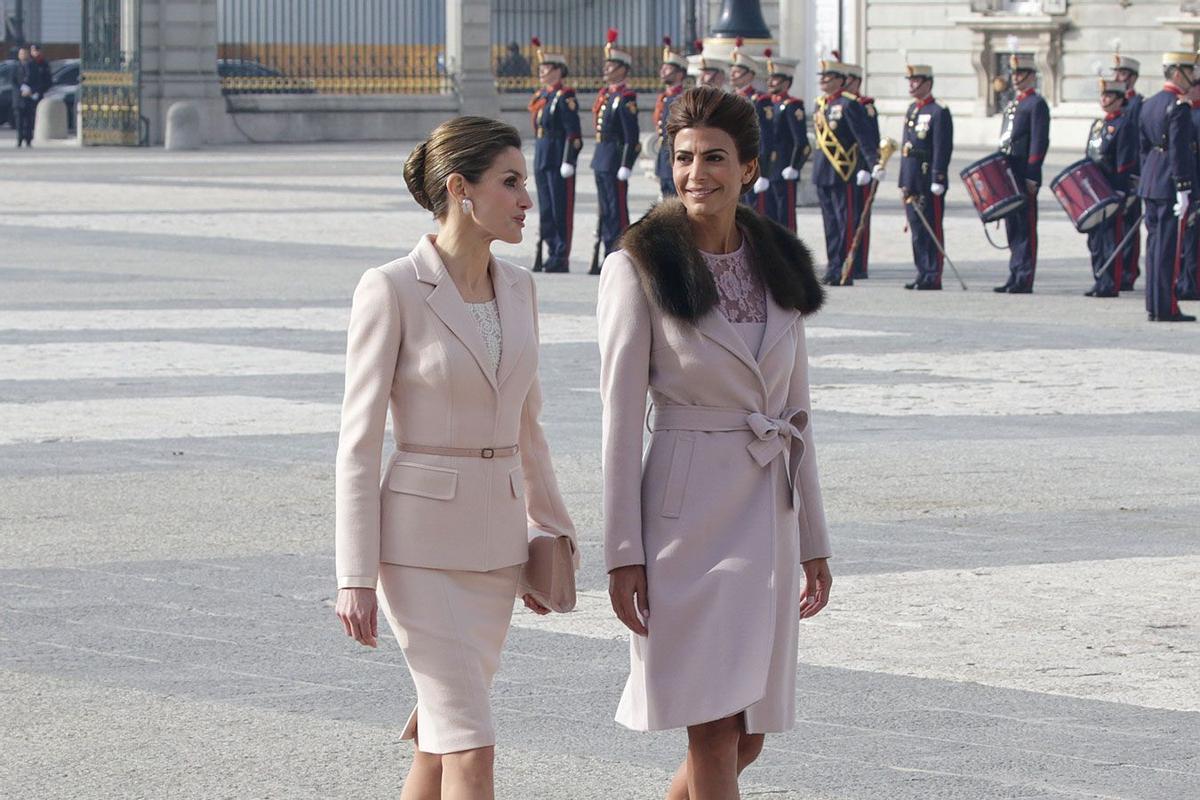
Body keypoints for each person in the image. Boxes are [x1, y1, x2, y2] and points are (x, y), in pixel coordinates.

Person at [597, 86, 833, 800]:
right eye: (685, 158)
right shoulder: (637, 267)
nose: (698, 173)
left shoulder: (779, 264)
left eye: (716, 158)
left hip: (769, 513)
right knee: (712, 727)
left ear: (750, 167)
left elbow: (797, 410)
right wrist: (622, 555)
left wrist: (815, 541)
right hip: (685, 522)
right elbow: (616, 422)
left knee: (748, 730)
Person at [334, 116, 577, 799]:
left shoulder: (521, 288)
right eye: (510, 183)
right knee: (473, 745)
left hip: (498, 549)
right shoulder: (391, 288)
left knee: (441, 746)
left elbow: (530, 430)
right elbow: (358, 442)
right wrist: (354, 575)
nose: (527, 198)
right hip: (419, 551)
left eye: (525, 182)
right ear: (459, 189)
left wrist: (550, 535)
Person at [1137, 52, 1199, 322]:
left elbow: (1143, 148)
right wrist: (1183, 187)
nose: (1193, 78)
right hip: (1169, 185)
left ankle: (1154, 304)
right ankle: (1166, 307)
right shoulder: (1179, 107)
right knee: (1167, 250)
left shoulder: (1149, 104)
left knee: (1153, 247)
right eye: (1189, 72)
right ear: (1177, 73)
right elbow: (1179, 152)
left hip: (1151, 182)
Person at [812, 54, 882, 285]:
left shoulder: (849, 104)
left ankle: (846, 268)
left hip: (844, 172)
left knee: (845, 222)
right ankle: (833, 266)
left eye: (828, 76)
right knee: (830, 224)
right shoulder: (820, 104)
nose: (823, 80)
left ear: (840, 80)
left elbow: (863, 138)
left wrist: (872, 165)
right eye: (821, 76)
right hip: (823, 171)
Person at [995, 52, 1050, 294]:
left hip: (1023, 170)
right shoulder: (1014, 104)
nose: (1016, 78)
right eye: (1014, 74)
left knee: (1025, 226)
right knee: (1012, 225)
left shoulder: (1036, 104)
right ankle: (1014, 271)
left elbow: (1039, 141)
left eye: (1020, 74)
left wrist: (1032, 174)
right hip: (1009, 169)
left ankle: (1024, 276)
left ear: (1031, 76)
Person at [528, 37, 582, 273]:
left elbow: (574, 134)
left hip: (558, 156)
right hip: (542, 155)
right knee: (547, 207)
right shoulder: (543, 96)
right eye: (540, 68)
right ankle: (549, 250)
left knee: (561, 207)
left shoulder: (565, 97)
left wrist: (568, 160)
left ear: (558, 71)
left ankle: (561, 255)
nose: (541, 72)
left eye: (546, 68)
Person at [898, 63, 953, 290]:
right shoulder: (912, 109)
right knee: (917, 229)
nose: (911, 85)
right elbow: (905, 147)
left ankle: (933, 274)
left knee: (932, 226)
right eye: (909, 81)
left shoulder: (939, 111)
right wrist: (903, 181)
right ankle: (922, 271)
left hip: (928, 178)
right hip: (912, 177)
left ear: (927, 83)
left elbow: (942, 147)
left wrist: (938, 177)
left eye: (915, 81)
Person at [590, 28, 640, 274]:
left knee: (617, 211)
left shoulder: (626, 98)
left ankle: (620, 254)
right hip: (601, 158)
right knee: (605, 210)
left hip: (614, 160)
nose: (606, 69)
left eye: (611, 65)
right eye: (606, 65)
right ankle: (609, 253)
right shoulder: (608, 97)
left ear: (622, 69)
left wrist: (626, 164)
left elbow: (632, 137)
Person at [1082, 77, 1136, 298]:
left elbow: (1125, 161)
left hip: (1112, 187)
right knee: (1095, 238)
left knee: (1111, 238)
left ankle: (1110, 282)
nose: (1103, 99)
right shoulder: (1098, 125)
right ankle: (1099, 278)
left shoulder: (1125, 124)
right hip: (1096, 188)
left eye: (1108, 96)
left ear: (1120, 99)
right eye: (1102, 95)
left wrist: (1122, 191)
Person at [764, 50, 809, 232]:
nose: (770, 82)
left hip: (784, 170)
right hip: (768, 170)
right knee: (769, 219)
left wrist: (794, 166)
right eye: (770, 78)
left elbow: (801, 142)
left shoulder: (792, 106)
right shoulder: (767, 104)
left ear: (786, 83)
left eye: (775, 79)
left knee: (786, 220)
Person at [730, 38, 774, 213]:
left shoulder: (760, 101)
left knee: (755, 215)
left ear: (749, 75)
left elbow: (765, 138)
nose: (732, 74)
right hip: (733, 166)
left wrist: (763, 172)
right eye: (732, 70)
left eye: (737, 71)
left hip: (751, 166)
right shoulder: (729, 99)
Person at [845, 64, 881, 279]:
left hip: (861, 169)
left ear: (856, 81)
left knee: (860, 216)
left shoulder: (865, 106)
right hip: (845, 169)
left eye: (848, 80)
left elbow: (869, 140)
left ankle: (860, 264)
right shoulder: (842, 104)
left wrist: (867, 167)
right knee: (847, 216)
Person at [1114, 49, 1144, 291]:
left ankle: (1129, 270)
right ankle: (1116, 267)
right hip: (1113, 173)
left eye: (1123, 73)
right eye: (1117, 73)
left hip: (1131, 172)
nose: (1119, 77)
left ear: (1133, 77)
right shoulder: (1114, 100)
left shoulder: (1137, 103)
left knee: (1129, 224)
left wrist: (1136, 175)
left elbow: (1138, 142)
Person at [654, 36, 687, 197]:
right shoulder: (665, 98)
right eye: (663, 68)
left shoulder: (682, 99)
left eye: (667, 69)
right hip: (664, 159)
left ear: (679, 74)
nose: (662, 72)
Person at [11, 46, 40, 148]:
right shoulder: (15, 66)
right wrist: (21, 90)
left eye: (25, 53)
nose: (23, 55)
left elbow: (37, 81)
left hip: (29, 97)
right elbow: (13, 82)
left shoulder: (33, 66)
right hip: (19, 98)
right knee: (19, 121)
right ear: (19, 55)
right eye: (21, 54)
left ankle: (28, 140)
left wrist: (31, 90)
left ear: (28, 54)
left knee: (29, 120)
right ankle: (19, 140)